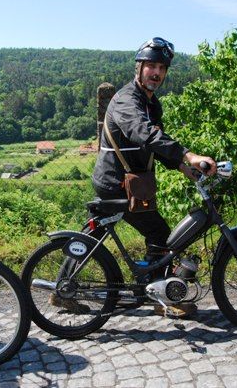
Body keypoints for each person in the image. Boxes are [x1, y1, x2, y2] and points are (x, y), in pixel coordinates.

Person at [92, 37, 215, 318]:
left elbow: (153, 144)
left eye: (162, 67)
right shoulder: (127, 100)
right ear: (139, 67)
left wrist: (182, 167)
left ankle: (152, 287)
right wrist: (188, 155)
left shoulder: (151, 103)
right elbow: (144, 133)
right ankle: (161, 297)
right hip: (117, 182)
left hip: (133, 181)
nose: (156, 72)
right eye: (151, 66)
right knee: (159, 233)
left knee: (106, 234)